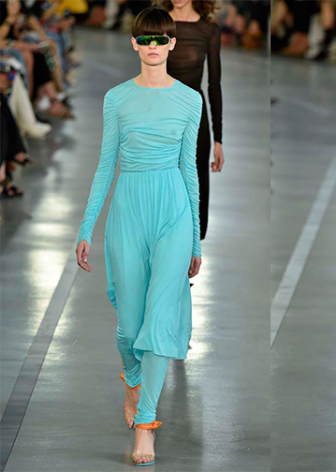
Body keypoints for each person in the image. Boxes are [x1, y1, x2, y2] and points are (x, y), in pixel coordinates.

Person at [74, 7, 202, 466]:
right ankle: (132, 381)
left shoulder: (190, 100)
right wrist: (86, 226)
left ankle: (146, 425)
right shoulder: (116, 99)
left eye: (160, 39)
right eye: (144, 39)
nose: (152, 47)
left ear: (172, 44)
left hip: (173, 213)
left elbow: (190, 169)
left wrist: (195, 239)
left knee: (158, 321)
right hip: (128, 212)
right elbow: (105, 164)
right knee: (130, 327)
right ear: (134, 44)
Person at [158, 0, 224, 240]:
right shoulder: (158, 23)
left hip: (194, 116)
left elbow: (214, 85)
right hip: (162, 114)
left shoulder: (209, 30)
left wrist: (218, 139)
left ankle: (189, 248)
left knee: (194, 183)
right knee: (161, 184)